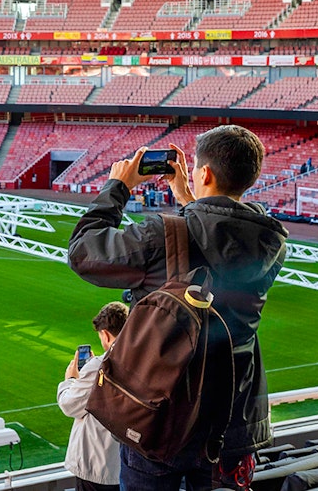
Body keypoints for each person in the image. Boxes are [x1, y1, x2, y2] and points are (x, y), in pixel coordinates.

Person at [67, 124, 288, 491]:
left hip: (162, 417)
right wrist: (189, 199)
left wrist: (117, 187)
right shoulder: (271, 242)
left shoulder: (160, 234)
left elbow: (83, 253)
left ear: (204, 173)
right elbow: (220, 237)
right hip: (231, 423)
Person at [57, 301, 131, 491]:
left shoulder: (98, 367)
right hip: (125, 464)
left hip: (96, 466)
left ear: (105, 334)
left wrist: (70, 380)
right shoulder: (140, 359)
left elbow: (69, 405)